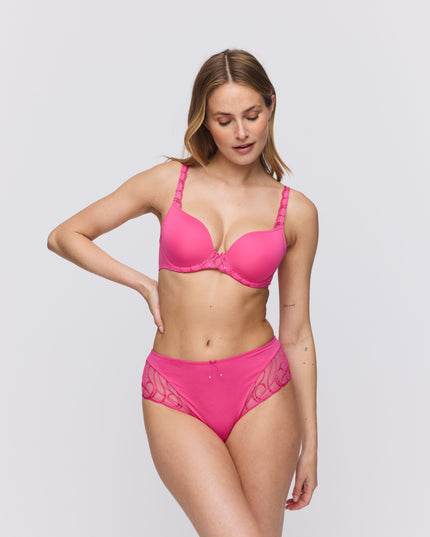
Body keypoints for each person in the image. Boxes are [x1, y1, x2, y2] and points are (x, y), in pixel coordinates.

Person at [47, 48, 319, 537]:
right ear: (204, 121)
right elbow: (66, 235)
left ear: (271, 106)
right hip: (174, 392)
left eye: (252, 115)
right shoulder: (167, 182)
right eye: (224, 120)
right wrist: (142, 283)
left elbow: (296, 333)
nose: (241, 132)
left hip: (262, 390)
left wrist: (312, 446)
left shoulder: (296, 211)